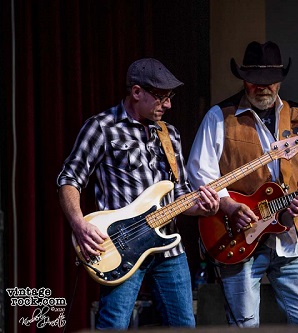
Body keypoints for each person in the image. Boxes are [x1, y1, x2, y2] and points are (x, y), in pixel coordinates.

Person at [57, 58, 220, 329]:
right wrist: (79, 224)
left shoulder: (170, 135)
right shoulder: (101, 127)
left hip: (168, 248)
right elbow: (69, 179)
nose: (168, 105)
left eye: (170, 96)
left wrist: (206, 207)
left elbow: (180, 193)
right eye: (161, 97)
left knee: (184, 326)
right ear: (136, 92)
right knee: (114, 326)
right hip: (121, 246)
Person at [187, 41, 298, 331]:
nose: (263, 88)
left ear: (280, 81)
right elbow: (201, 175)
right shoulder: (219, 117)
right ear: (243, 79)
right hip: (237, 234)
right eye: (255, 82)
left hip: (289, 237)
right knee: (244, 325)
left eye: (270, 82)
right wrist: (230, 206)